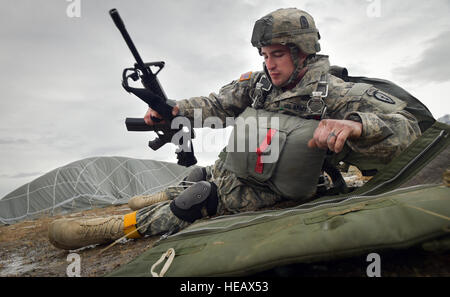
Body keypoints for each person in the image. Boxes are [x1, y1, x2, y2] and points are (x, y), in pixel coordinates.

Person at [48, 8, 421, 250]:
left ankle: (116, 228)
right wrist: (173, 110)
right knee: (202, 174)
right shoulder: (259, 84)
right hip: (241, 168)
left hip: (283, 188)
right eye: (264, 55)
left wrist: (355, 125)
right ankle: (159, 196)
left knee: (198, 198)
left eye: (277, 54)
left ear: (301, 52)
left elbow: (407, 130)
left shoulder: (337, 94)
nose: (269, 64)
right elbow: (215, 104)